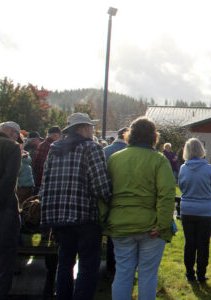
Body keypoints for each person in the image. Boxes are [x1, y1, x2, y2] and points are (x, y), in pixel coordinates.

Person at [39, 113, 112, 299]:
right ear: (84, 128)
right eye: (91, 127)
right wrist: (110, 202)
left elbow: (45, 182)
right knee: (88, 264)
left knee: (64, 262)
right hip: (85, 215)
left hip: (58, 215)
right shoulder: (91, 147)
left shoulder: (54, 148)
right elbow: (100, 185)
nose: (93, 130)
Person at [105, 117, 176, 299]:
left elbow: (104, 193)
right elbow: (166, 194)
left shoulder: (114, 159)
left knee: (123, 273)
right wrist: (162, 225)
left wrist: (104, 220)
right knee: (147, 275)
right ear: (154, 137)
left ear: (130, 135)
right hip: (151, 227)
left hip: (120, 225)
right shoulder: (159, 160)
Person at [0, 121, 22, 299]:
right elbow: (9, 179)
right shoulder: (13, 147)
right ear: (12, 133)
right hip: (4, 209)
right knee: (4, 257)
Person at [179, 138, 211, 282]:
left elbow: (181, 186)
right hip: (205, 210)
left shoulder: (183, 168)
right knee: (203, 244)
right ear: (201, 150)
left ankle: (190, 274)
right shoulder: (209, 169)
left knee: (189, 243)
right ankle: (201, 274)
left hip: (187, 209)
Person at [102, 126, 129, 277]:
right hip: (125, 198)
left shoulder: (105, 151)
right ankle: (123, 268)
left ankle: (110, 265)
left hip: (107, 197)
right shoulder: (130, 153)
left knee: (112, 233)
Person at [32, 126, 62, 194]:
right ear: (55, 135)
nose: (61, 138)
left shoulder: (41, 144)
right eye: (60, 136)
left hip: (37, 178)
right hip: (45, 181)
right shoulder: (52, 146)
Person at [17, 139, 35, 205]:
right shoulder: (23, 155)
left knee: (24, 205)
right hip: (25, 186)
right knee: (23, 205)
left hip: (26, 186)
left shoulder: (23, 155)